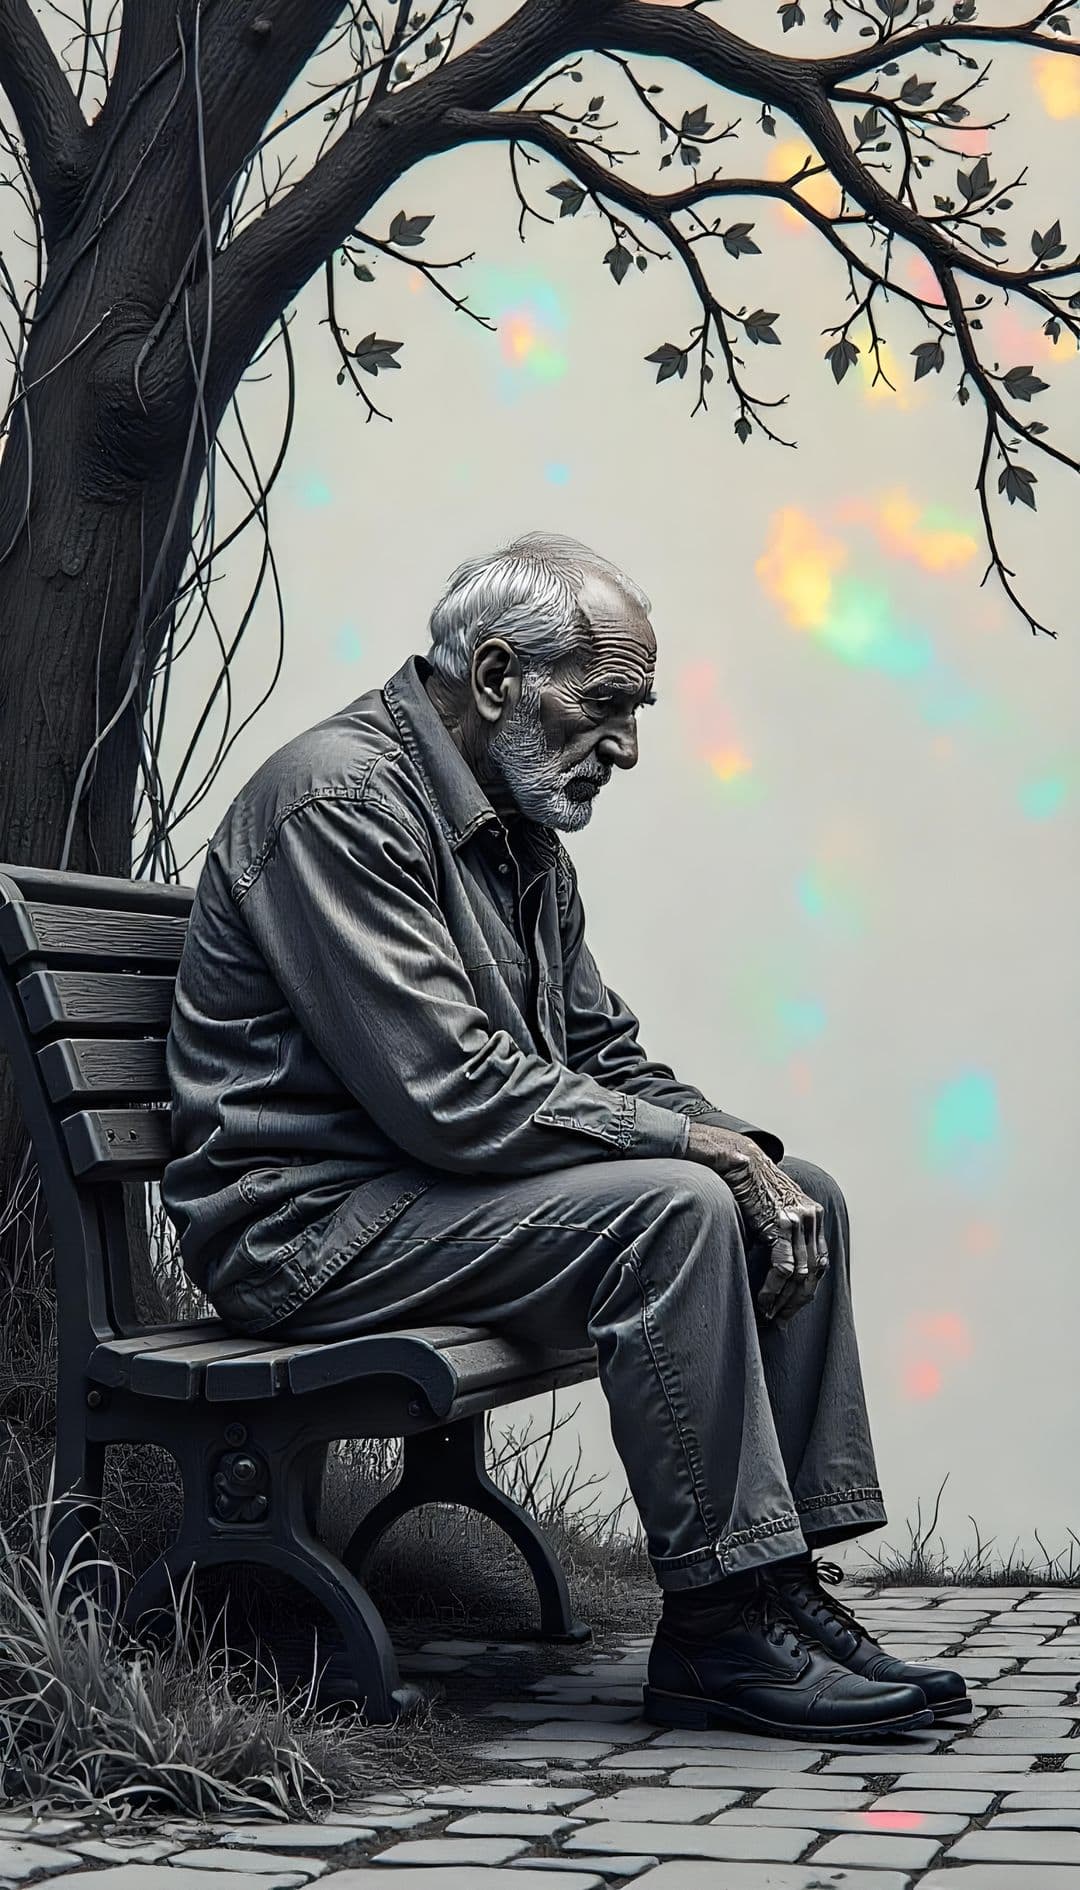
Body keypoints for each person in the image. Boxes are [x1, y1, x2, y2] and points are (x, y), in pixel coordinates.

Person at [162, 530, 969, 1740]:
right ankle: (724, 1620)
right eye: (607, 706)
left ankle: (777, 1589)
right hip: (306, 1229)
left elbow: (600, 1058)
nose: (630, 747)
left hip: (429, 1204)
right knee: (677, 1207)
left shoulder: (520, 836)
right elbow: (450, 1092)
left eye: (637, 712)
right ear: (496, 680)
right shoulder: (338, 799)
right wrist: (694, 1159)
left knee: (797, 1189)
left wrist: (734, 1143)